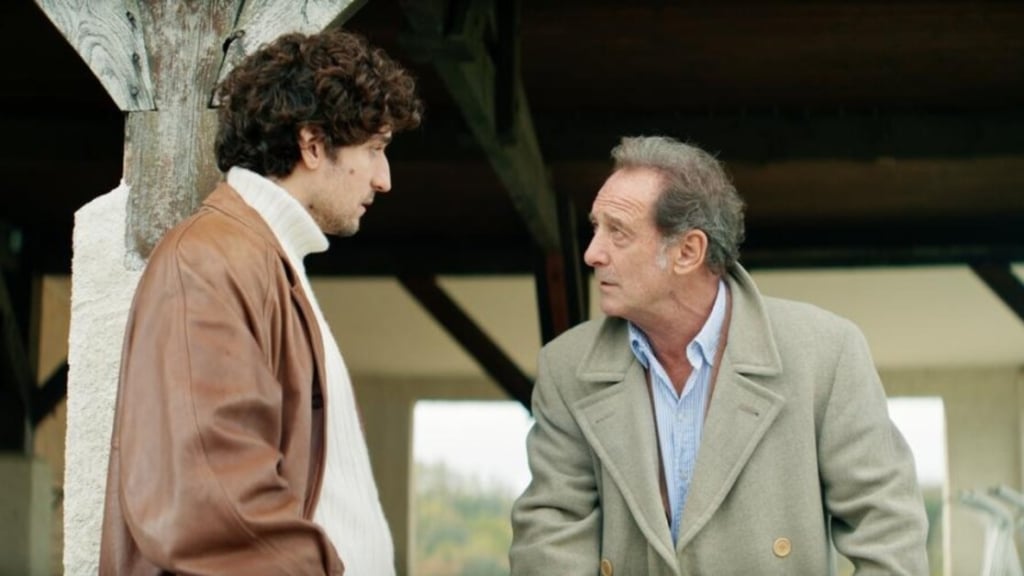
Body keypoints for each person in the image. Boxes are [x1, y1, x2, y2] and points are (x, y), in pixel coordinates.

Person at [509, 136, 929, 575]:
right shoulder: (565, 367)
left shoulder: (826, 353)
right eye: (596, 228)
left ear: (688, 251)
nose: (592, 253)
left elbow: (889, 535)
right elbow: (549, 542)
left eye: (618, 232)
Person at [99, 29, 422, 575]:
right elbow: (208, 499)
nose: (384, 179)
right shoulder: (208, 263)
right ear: (313, 144)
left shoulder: (261, 260)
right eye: (374, 149)